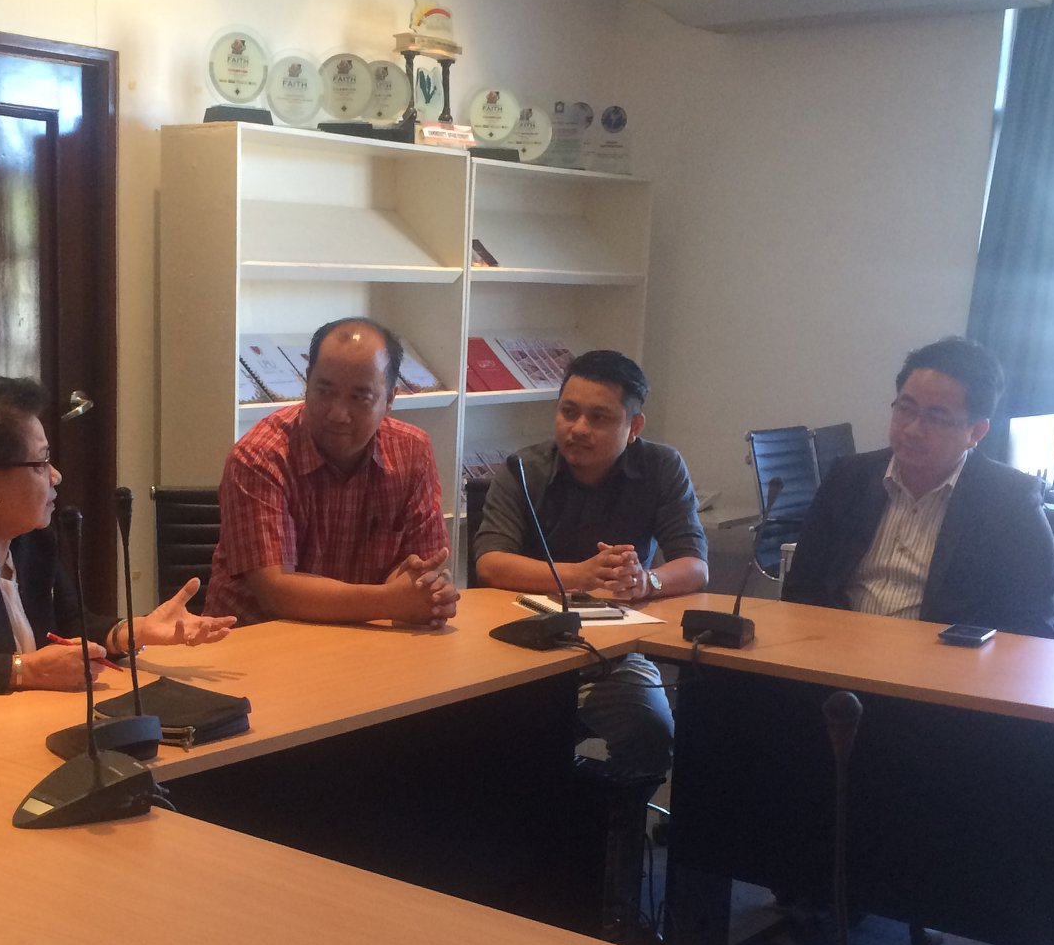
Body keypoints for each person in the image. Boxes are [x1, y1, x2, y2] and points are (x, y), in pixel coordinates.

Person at [0, 376, 232, 695]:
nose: (56, 475)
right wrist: (25, 670)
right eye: (40, 463)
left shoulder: (29, 539)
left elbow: (70, 625)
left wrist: (132, 631)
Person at [473, 348, 706, 782]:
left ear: (634, 427)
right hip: (521, 651)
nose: (578, 428)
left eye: (599, 418)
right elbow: (491, 563)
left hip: (612, 658)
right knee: (486, 744)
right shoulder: (523, 468)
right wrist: (581, 574)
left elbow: (695, 565)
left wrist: (646, 581)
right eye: (568, 412)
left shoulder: (661, 467)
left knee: (652, 731)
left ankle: (610, 815)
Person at [784, 335, 1054, 638]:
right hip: (837, 650)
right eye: (905, 409)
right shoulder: (848, 478)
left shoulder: (1011, 501)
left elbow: (1032, 624)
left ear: (976, 432)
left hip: (943, 661)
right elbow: (801, 587)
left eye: (937, 418)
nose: (913, 429)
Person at [203, 317, 458, 628]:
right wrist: (393, 601)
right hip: (255, 639)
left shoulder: (413, 452)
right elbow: (276, 591)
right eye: (324, 391)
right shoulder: (259, 456)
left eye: (359, 398)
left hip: (362, 638)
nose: (338, 414)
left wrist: (427, 591)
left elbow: (420, 567)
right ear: (306, 382)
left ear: (390, 400)